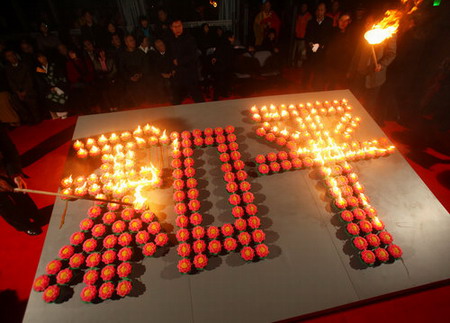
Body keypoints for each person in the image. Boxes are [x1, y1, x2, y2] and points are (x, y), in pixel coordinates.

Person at [348, 14, 397, 123]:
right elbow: (357, 54)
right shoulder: (366, 35)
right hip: (360, 72)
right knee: (352, 99)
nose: (367, 25)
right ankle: (347, 121)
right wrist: (351, 70)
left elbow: (392, 53)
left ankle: (364, 125)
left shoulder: (388, 34)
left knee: (368, 105)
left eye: (369, 23)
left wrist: (381, 64)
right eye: (366, 23)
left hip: (375, 77)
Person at [0, 126, 42, 235]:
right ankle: (24, 225)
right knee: (4, 205)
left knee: (18, 189)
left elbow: (9, 149)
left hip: (2, 166)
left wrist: (15, 174)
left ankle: (33, 213)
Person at [168, 19, 204, 104]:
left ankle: (205, 113)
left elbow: (193, 55)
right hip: (177, 73)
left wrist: (179, 61)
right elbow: (169, 55)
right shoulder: (170, 40)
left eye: (179, 26)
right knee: (176, 98)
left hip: (189, 72)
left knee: (196, 96)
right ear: (171, 28)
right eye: (175, 27)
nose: (178, 29)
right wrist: (172, 67)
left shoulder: (189, 39)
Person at [4, 50, 41, 124]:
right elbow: (11, 83)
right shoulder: (8, 69)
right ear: (6, 58)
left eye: (12, 54)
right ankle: (27, 118)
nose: (12, 57)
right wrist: (18, 92)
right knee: (14, 99)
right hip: (18, 91)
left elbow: (29, 79)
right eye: (9, 56)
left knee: (29, 97)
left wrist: (25, 91)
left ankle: (37, 117)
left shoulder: (25, 65)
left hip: (28, 89)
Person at [304, 2, 333, 90]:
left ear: (325, 11)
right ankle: (304, 88)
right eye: (318, 10)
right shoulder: (311, 22)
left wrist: (320, 45)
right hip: (312, 51)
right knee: (307, 70)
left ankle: (317, 88)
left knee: (319, 72)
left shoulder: (329, 22)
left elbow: (329, 36)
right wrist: (311, 45)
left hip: (322, 52)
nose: (320, 12)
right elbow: (307, 36)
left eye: (322, 10)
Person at [35, 52, 69, 119]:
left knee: (60, 94)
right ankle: (55, 114)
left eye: (42, 56)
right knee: (49, 96)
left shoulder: (54, 65)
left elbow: (61, 76)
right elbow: (40, 82)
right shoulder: (38, 69)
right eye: (39, 58)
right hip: (48, 88)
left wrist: (56, 86)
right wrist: (49, 88)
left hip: (59, 85)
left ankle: (63, 113)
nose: (41, 59)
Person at [326, 13, 354, 89]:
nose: (343, 23)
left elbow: (351, 53)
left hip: (344, 66)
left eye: (346, 21)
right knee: (330, 84)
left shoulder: (351, 35)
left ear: (349, 22)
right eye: (341, 20)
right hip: (332, 64)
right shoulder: (333, 32)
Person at [119, 34, 147, 106]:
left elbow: (146, 66)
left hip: (141, 78)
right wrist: (130, 78)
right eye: (130, 41)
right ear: (126, 43)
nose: (133, 42)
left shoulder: (140, 53)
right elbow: (121, 69)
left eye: (133, 40)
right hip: (129, 80)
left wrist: (140, 75)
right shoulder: (123, 55)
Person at [66, 48, 95, 114]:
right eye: (70, 53)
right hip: (77, 83)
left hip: (87, 81)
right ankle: (84, 111)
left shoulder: (84, 61)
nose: (71, 55)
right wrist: (77, 79)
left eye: (72, 53)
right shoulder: (69, 64)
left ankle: (89, 109)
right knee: (79, 94)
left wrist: (86, 79)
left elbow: (90, 71)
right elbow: (70, 75)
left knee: (87, 92)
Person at [211, 31, 235, 100]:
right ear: (229, 38)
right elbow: (229, 58)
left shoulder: (221, 44)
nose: (233, 39)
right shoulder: (228, 46)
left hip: (219, 67)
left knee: (219, 83)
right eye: (232, 38)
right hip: (224, 68)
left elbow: (216, 55)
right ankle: (221, 95)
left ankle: (219, 96)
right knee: (222, 82)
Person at [153, 39, 176, 103]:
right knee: (160, 83)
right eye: (160, 46)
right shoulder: (155, 56)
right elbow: (155, 68)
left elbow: (173, 64)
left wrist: (172, 71)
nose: (162, 46)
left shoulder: (170, 53)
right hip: (162, 74)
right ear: (157, 48)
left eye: (162, 45)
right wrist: (162, 74)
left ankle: (173, 96)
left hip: (171, 72)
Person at [292, 2, 312, 67]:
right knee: (295, 52)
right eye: (302, 6)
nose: (303, 8)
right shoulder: (298, 15)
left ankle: (299, 66)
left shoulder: (309, 16)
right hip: (297, 37)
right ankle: (293, 64)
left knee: (302, 53)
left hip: (303, 38)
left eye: (305, 7)